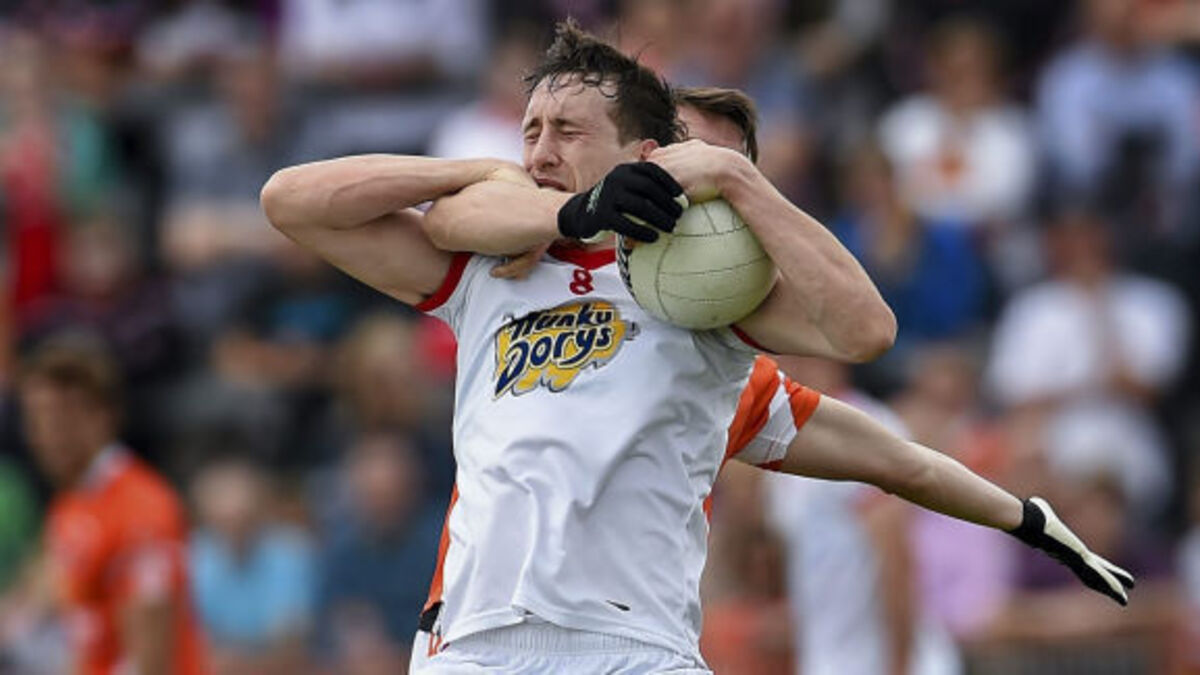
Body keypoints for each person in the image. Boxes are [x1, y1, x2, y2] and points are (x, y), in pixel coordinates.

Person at [262, 23, 1127, 674]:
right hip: (478, 639)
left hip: (640, 644)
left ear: (647, 155)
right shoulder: (493, 263)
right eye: (531, 130)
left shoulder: (704, 296)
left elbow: (878, 379)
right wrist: (489, 177)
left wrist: (1025, 517)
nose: (540, 150)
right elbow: (291, 201)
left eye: (567, 130)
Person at [17, 336, 207, 675]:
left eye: (60, 418)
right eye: (36, 420)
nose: (46, 435)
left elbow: (150, 662)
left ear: (102, 417)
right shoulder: (70, 502)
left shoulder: (142, 509)